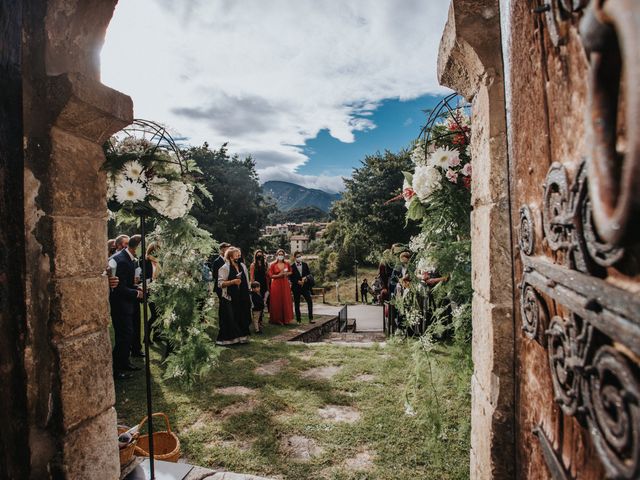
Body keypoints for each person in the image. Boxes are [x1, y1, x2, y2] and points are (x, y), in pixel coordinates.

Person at [108, 235, 143, 379]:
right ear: (138, 246)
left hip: (127, 305)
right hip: (120, 306)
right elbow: (119, 288)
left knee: (128, 335)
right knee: (124, 336)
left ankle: (124, 362)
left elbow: (127, 282)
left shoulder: (128, 258)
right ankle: (116, 369)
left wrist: (137, 287)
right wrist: (136, 293)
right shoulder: (121, 260)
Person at [216, 247, 251, 345]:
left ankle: (242, 337)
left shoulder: (242, 266)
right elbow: (220, 284)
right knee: (231, 317)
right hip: (230, 297)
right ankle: (230, 339)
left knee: (242, 315)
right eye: (237, 255)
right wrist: (233, 282)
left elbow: (247, 280)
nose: (239, 257)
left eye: (239, 255)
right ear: (231, 257)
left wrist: (248, 291)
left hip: (242, 296)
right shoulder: (224, 268)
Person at [128, 235, 145, 358]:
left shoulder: (135, 259)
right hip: (128, 297)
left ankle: (136, 348)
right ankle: (131, 350)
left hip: (135, 293)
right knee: (129, 328)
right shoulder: (123, 259)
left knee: (137, 324)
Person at [267, 249, 294, 325]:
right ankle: (277, 319)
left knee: (285, 300)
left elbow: (291, 271)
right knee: (277, 300)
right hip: (276, 284)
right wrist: (279, 275)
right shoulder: (272, 265)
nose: (281, 256)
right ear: (276, 255)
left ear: (284, 255)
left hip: (285, 283)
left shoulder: (287, 263)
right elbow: (271, 275)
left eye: (282, 254)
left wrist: (286, 274)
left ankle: (286, 319)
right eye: (279, 254)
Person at [290, 251, 314, 324]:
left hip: (305, 287)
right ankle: (298, 320)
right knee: (297, 304)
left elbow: (309, 274)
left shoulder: (305, 265)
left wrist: (306, 278)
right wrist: (297, 281)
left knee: (309, 301)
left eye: (300, 256)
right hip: (296, 287)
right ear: (294, 258)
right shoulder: (292, 267)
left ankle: (310, 318)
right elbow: (291, 277)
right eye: (297, 256)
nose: (299, 258)